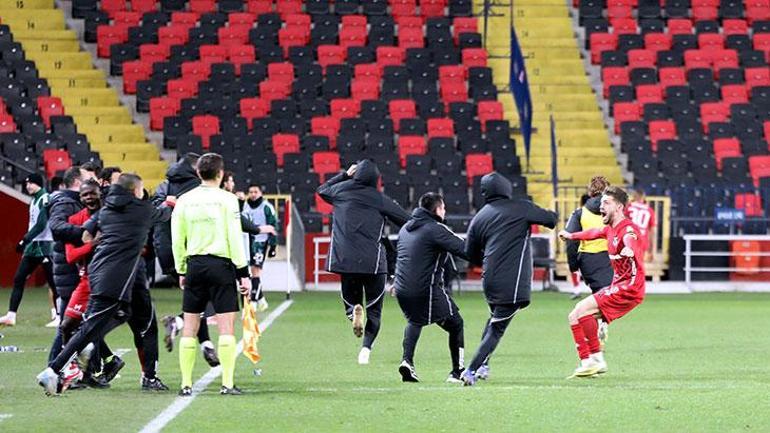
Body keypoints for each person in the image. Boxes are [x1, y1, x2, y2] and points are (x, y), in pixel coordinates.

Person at [37, 173, 174, 395]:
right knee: (90, 328)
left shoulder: (105, 210)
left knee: (122, 314)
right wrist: (170, 202)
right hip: (116, 278)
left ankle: (89, 347)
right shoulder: (141, 209)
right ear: (134, 191)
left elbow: (85, 236)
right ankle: (53, 370)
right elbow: (164, 214)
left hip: (98, 271)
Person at [461, 173, 558, 386]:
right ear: (506, 188)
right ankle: (471, 370)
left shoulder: (480, 217)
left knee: (493, 319)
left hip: (489, 279)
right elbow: (551, 219)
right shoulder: (521, 207)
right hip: (513, 282)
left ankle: (484, 365)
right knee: (497, 328)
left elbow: (470, 254)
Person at [171, 153, 251, 396]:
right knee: (226, 327)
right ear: (220, 174)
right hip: (221, 266)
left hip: (194, 265)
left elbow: (177, 238)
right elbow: (234, 238)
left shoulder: (184, 200)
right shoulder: (228, 200)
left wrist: (181, 269)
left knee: (190, 326)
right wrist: (243, 272)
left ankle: (186, 384)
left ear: (198, 174)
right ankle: (227, 383)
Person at [317, 159, 409, 365]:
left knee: (351, 301)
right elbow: (407, 221)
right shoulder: (380, 199)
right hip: (373, 263)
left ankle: (353, 313)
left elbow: (322, 189)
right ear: (376, 179)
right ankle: (366, 350)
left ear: (355, 175)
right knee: (375, 310)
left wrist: (344, 175)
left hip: (345, 260)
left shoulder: (340, 192)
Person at [558, 186, 646, 378]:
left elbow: (630, 238)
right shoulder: (610, 229)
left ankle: (595, 360)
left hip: (628, 288)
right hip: (620, 286)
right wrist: (571, 235)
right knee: (575, 316)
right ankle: (591, 361)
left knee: (581, 309)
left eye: (606, 202)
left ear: (620, 207)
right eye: (601, 202)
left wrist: (629, 249)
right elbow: (593, 233)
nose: (601, 206)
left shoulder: (628, 229)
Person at [153, 154, 220, 367]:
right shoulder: (197, 189)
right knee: (207, 297)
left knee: (197, 297)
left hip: (166, 250)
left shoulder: (164, 186)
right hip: (192, 250)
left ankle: (206, 344)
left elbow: (154, 214)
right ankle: (179, 321)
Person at [394, 192, 467, 383]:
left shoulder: (405, 229)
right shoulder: (436, 229)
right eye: (443, 207)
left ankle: (407, 362)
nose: (445, 211)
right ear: (436, 210)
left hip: (402, 288)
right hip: (425, 289)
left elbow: (401, 258)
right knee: (456, 324)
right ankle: (457, 372)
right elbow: (464, 248)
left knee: (415, 320)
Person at [60, 180, 123, 388]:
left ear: (100, 194)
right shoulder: (74, 220)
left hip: (109, 279)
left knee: (92, 327)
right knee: (68, 325)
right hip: (86, 280)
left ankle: (85, 375)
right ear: (80, 198)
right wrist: (94, 244)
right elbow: (70, 256)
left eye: (92, 193)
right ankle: (103, 363)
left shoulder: (111, 218)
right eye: (85, 194)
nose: (89, 197)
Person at [47, 166, 93, 361]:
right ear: (77, 182)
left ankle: (92, 370)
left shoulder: (75, 202)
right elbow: (56, 227)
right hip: (68, 271)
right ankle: (53, 366)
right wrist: (84, 234)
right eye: (89, 179)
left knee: (83, 322)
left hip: (74, 270)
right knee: (69, 324)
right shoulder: (65, 202)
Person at [0, 173, 57, 328]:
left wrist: (24, 239)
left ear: (38, 183)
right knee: (19, 278)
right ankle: (11, 315)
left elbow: (41, 224)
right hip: (34, 245)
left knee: (53, 281)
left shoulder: (44, 198)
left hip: (44, 245)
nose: (27, 186)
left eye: (30, 183)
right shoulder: (34, 200)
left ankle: (59, 315)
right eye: (26, 184)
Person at [565, 176, 613, 302]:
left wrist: (573, 266)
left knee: (601, 299)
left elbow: (570, 240)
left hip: (588, 260)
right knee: (607, 300)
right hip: (611, 259)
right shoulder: (616, 212)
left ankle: (585, 317)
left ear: (590, 192)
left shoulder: (579, 213)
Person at [241, 184, 277, 312]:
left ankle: (254, 302)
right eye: (250, 192)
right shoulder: (245, 206)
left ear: (261, 193)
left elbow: (273, 226)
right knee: (250, 271)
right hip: (247, 241)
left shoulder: (267, 207)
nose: (253, 194)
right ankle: (261, 299)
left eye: (255, 191)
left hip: (261, 242)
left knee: (256, 271)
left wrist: (273, 245)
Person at [626, 189, 656, 262]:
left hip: (629, 239)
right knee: (638, 265)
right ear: (643, 197)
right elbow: (652, 232)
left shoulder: (629, 207)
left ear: (634, 197)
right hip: (642, 240)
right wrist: (651, 250)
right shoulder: (650, 210)